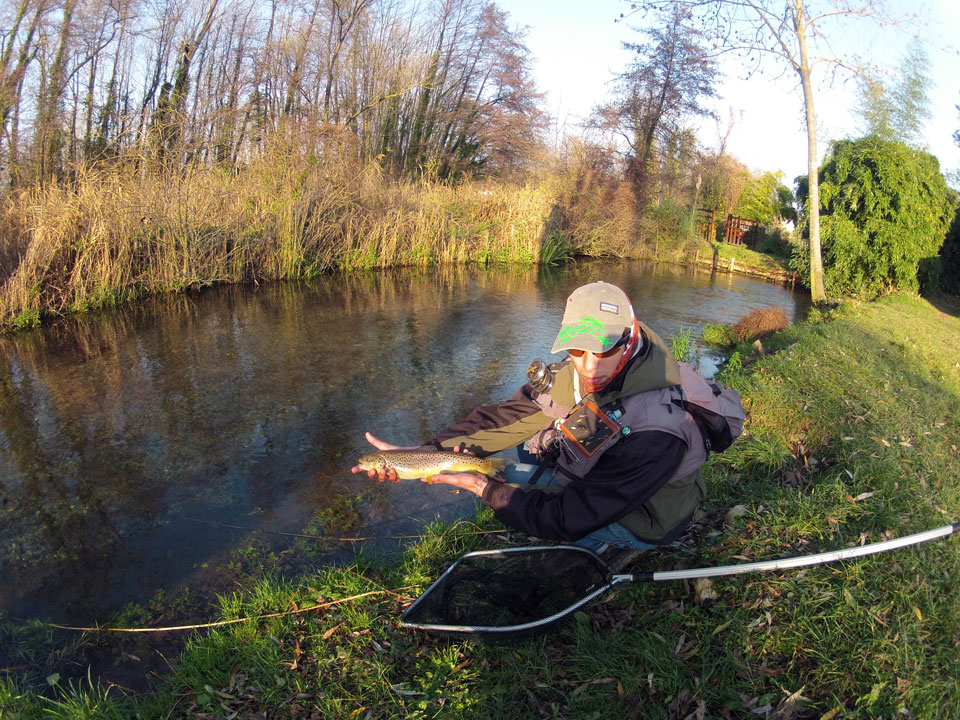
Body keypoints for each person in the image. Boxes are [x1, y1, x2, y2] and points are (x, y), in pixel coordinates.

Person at [352, 281, 729, 564]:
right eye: (578, 349)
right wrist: (426, 453)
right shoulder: (581, 373)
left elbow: (571, 515)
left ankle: (615, 548)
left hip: (644, 517)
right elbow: (507, 418)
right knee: (524, 444)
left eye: (605, 349)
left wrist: (490, 490)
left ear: (629, 342)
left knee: (559, 541)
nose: (589, 365)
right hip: (597, 474)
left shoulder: (658, 430)